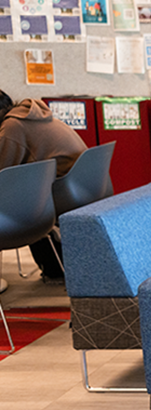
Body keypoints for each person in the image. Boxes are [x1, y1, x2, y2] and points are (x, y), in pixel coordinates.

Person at [0, 91, 87, 281]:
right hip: (82, 186)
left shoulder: (12, 127)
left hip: (58, 196)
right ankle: (54, 267)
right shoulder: (34, 115)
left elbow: (2, 170)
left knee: (18, 199)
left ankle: (53, 267)